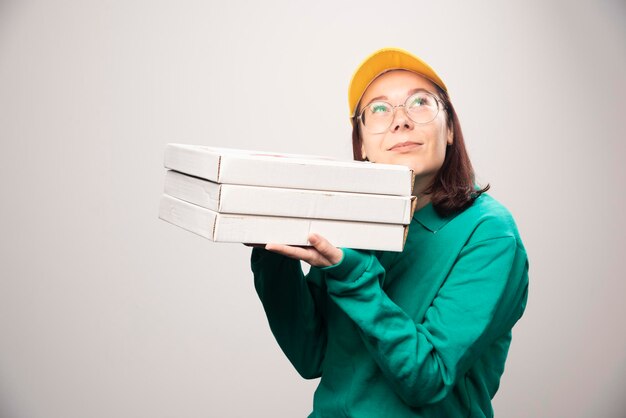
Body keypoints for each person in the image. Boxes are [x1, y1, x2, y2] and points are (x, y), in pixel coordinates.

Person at [248, 47, 529, 417]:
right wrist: (273, 251)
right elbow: (311, 355)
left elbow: (427, 379)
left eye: (420, 103)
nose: (400, 121)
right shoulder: (352, 218)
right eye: (379, 109)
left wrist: (349, 274)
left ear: (449, 131)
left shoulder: (490, 234)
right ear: (362, 143)